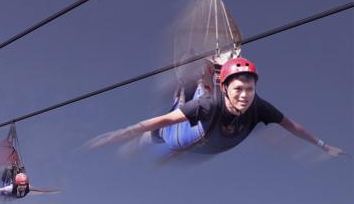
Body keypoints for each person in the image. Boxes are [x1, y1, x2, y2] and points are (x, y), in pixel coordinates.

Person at [89, 58, 344, 158]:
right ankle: (198, 78)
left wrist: (323, 145)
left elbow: (292, 126)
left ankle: (208, 73)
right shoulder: (208, 105)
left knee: (197, 95)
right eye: (238, 90)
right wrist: (121, 133)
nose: (245, 96)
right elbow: (162, 121)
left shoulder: (260, 107)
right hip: (182, 136)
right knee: (168, 122)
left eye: (250, 90)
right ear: (225, 89)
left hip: (210, 142)